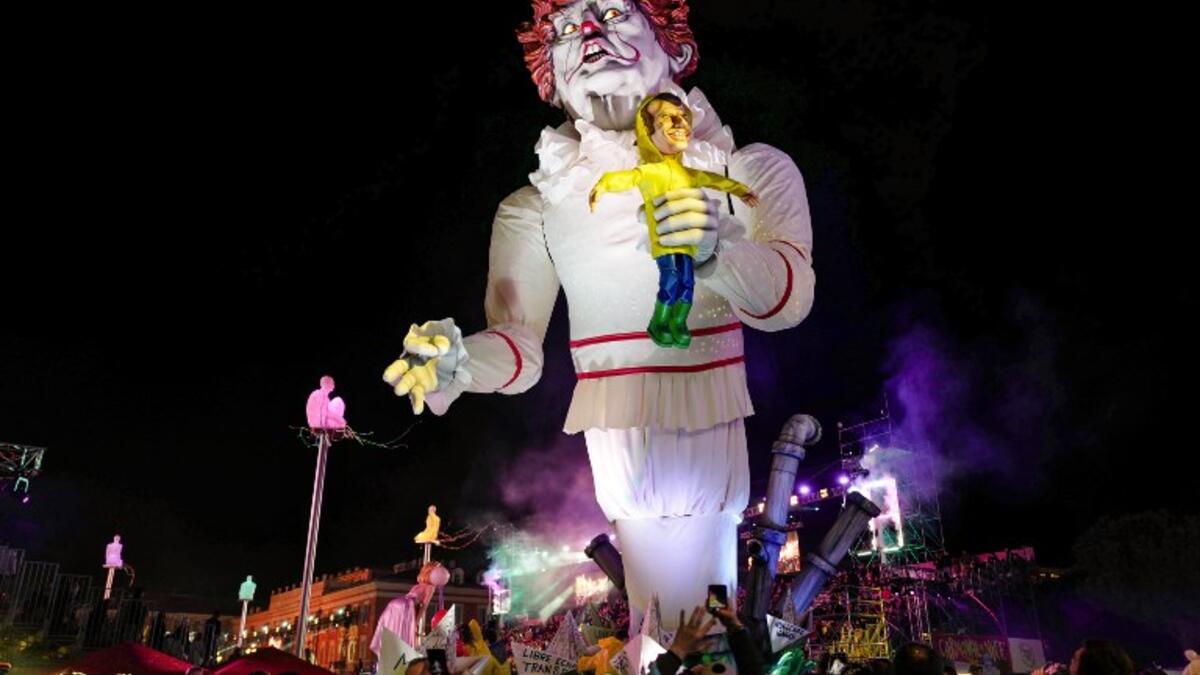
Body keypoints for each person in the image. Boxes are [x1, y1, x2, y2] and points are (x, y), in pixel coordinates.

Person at [383, 0, 814, 628]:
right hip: (617, 456)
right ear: (549, 78)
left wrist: (719, 251)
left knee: (691, 635)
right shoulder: (534, 209)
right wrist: (458, 360)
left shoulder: (748, 170)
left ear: (676, 46)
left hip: (707, 440)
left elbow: (789, 298)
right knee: (664, 632)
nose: (586, 32)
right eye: (563, 29)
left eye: (612, 13)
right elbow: (520, 348)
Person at [590, 93, 759, 347]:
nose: (681, 123)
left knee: (687, 282)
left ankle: (678, 322)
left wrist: (740, 190)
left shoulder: (687, 172)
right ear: (649, 131)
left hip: (690, 241)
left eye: (683, 117)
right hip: (665, 240)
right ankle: (658, 322)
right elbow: (624, 178)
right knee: (670, 279)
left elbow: (714, 180)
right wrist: (601, 186)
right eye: (668, 118)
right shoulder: (649, 171)